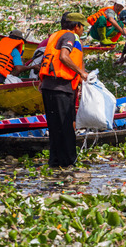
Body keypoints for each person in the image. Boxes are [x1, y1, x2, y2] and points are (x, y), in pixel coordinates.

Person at [39, 13, 89, 168]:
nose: (82, 31)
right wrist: (81, 73)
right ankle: (68, 162)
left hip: (49, 86)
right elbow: (63, 57)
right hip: (60, 87)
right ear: (77, 26)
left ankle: (55, 161)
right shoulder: (70, 36)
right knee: (66, 127)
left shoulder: (55, 36)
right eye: (82, 27)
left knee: (55, 127)